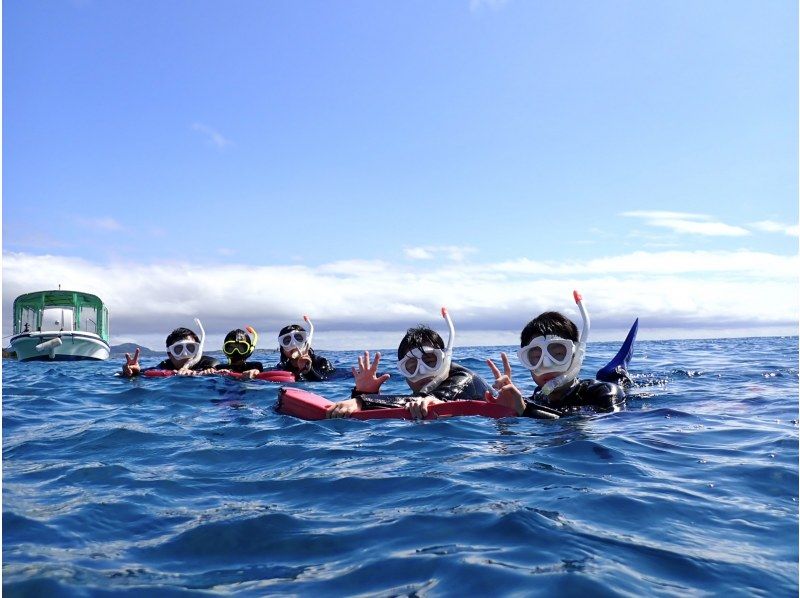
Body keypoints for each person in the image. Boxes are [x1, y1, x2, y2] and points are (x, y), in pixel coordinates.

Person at [485, 291, 636, 419]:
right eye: (536, 358)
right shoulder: (538, 397)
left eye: (558, 354)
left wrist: (525, 410)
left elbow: (611, 426)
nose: (547, 365)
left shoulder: (605, 394)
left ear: (575, 355)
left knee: (610, 374)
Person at [327, 308, 491, 419]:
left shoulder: (465, 379)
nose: (423, 371)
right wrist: (362, 393)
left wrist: (362, 401)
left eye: (430, 361)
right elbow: (410, 403)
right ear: (404, 375)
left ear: (445, 359)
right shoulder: (418, 401)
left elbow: (436, 398)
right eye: (411, 367)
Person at [121, 319, 219, 377]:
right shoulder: (164, 367)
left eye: (190, 348)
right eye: (178, 350)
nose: (185, 354)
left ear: (198, 350)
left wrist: (210, 371)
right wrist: (133, 374)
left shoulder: (210, 364)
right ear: (170, 354)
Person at [276, 315, 335, 381]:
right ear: (283, 350)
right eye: (287, 341)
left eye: (298, 338)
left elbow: (326, 382)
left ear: (306, 342)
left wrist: (308, 370)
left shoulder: (321, 362)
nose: (293, 344)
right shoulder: (282, 367)